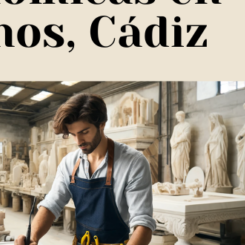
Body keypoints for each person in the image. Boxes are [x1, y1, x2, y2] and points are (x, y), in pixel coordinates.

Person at [15, 94, 155, 245]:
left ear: (102, 124)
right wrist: (33, 237)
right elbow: (51, 204)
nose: (78, 141)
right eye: (73, 134)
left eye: (84, 132)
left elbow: (143, 223)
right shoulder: (69, 163)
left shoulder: (134, 163)